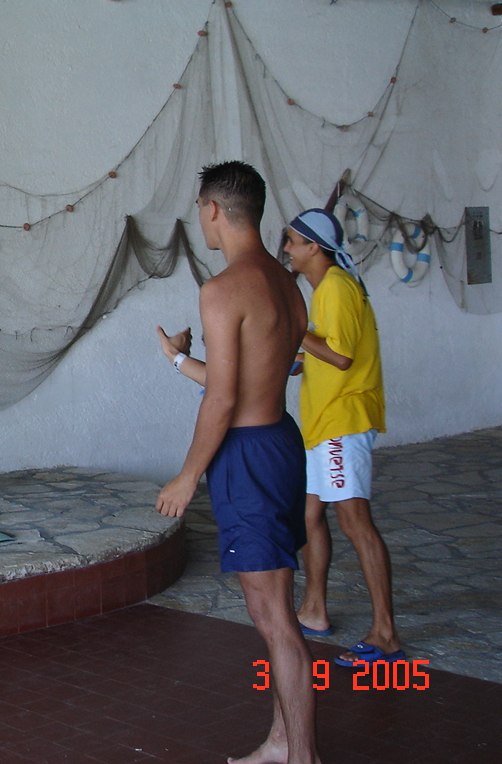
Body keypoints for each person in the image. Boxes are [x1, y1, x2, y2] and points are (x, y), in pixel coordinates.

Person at [155, 161, 319, 764]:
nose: (201, 219)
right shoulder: (285, 283)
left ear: (215, 210)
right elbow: (249, 381)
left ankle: (303, 756)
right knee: (274, 607)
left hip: (247, 456)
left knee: (273, 616)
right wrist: (179, 361)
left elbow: (223, 400)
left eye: (200, 209)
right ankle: (281, 741)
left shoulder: (222, 290)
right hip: (279, 442)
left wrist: (187, 476)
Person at [283, 208, 403, 667]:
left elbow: (342, 357)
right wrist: (298, 358)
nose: (288, 249)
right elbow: (326, 351)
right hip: (323, 423)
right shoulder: (325, 290)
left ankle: (386, 635)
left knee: (355, 522)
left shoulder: (335, 287)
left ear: (313, 246)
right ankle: (314, 610)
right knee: (310, 515)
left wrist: (296, 331)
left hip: (342, 421)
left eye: (293, 241)